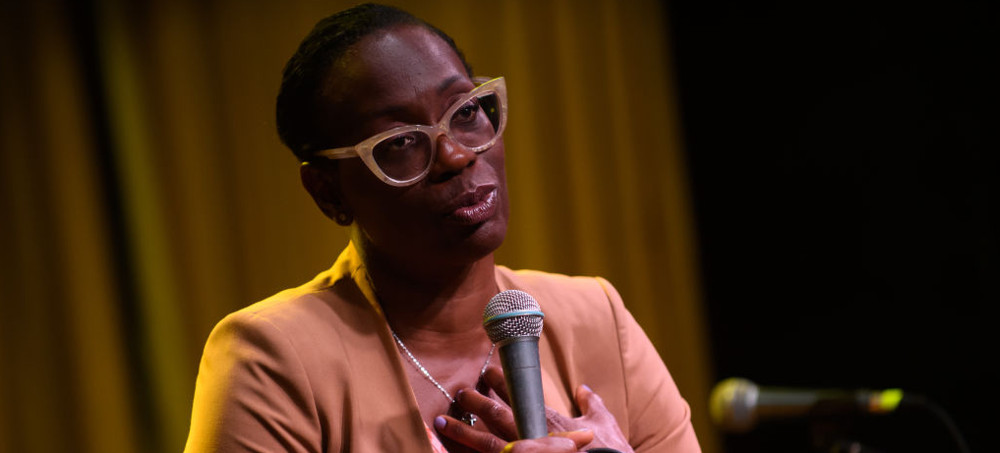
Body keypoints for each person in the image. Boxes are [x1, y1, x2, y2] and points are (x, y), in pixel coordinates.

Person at [183, 4, 701, 453]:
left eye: (467, 110)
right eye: (400, 142)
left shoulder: (595, 318)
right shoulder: (273, 361)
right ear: (329, 193)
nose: (455, 155)